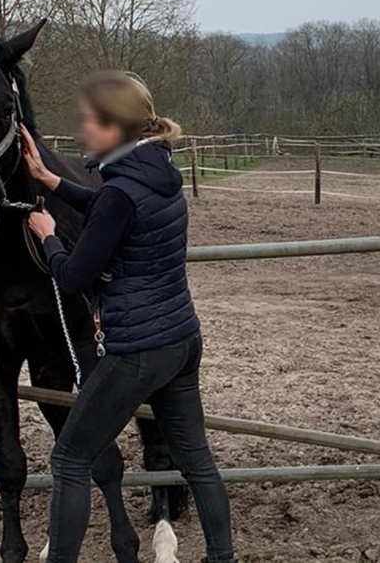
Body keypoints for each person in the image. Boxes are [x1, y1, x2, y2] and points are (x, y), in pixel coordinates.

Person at [19, 70, 236, 563]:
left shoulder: (119, 191)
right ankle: (223, 557)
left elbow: (73, 277)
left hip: (136, 349)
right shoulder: (156, 169)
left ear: (115, 127)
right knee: (196, 458)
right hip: (181, 337)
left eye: (90, 121)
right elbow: (110, 209)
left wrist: (48, 235)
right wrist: (53, 181)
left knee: (70, 458)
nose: (81, 131)